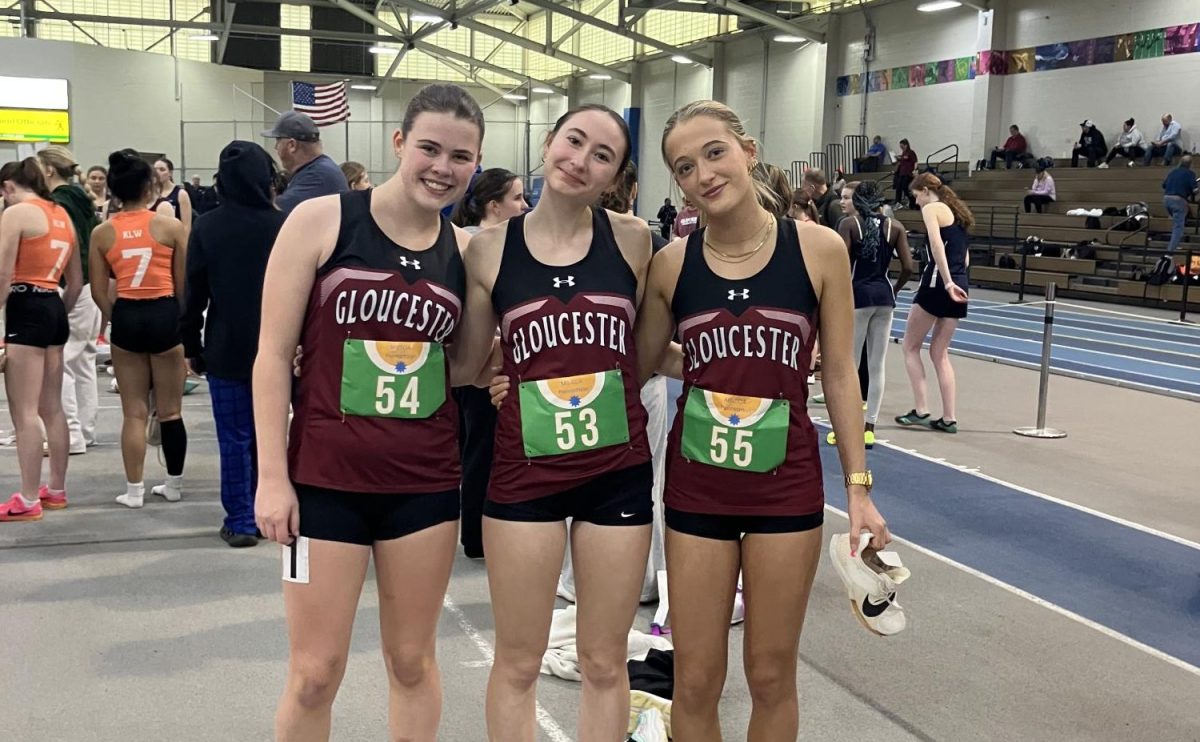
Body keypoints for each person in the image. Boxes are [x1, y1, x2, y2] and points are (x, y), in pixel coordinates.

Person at [636, 99, 890, 739]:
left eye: (714, 152)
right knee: (695, 679)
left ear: (748, 151)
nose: (703, 174)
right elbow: (640, 359)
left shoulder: (819, 249)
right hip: (698, 492)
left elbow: (838, 373)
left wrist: (859, 491)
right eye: (684, 167)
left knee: (772, 675)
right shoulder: (673, 264)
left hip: (786, 490)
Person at [253, 84, 487, 741]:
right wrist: (272, 477)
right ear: (398, 143)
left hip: (425, 487)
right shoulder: (321, 220)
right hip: (324, 484)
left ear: (476, 164)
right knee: (314, 672)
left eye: (460, 156)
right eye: (430, 148)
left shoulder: (467, 253)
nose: (442, 166)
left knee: (412, 662)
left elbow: (465, 367)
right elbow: (271, 357)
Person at [455, 103, 653, 741]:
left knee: (603, 659)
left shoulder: (633, 240)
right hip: (524, 473)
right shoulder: (488, 250)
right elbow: (466, 365)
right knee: (517, 660)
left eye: (602, 155)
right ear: (548, 142)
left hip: (616, 471)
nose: (581, 161)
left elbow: (646, 350)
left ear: (615, 176)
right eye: (574, 141)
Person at [556, 159, 668, 604]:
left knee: (573, 477)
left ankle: (581, 578)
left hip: (600, 380)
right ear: (635, 189)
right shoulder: (647, 243)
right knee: (645, 483)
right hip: (616, 381)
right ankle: (637, 579)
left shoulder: (644, 242)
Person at [181, 141, 286, 548]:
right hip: (278, 351)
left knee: (234, 437)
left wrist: (191, 343)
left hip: (226, 348)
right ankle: (271, 513)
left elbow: (195, 293)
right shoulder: (284, 225)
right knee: (273, 435)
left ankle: (241, 519)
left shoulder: (208, 226)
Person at [90, 149, 190, 508]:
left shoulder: (102, 233)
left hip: (128, 314)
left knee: (133, 411)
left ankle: (133, 491)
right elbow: (182, 284)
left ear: (114, 190)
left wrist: (117, 316)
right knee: (171, 411)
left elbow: (100, 291)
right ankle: (174, 484)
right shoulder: (171, 227)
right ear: (150, 187)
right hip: (164, 310)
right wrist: (174, 316)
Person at [447, 167, 527, 559]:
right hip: (482, 361)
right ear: (494, 206)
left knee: (470, 444)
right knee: (483, 447)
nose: (525, 206)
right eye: (517, 198)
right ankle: (478, 534)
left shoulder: (471, 242)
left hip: (469, 362)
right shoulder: (479, 247)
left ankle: (475, 530)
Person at [0, 158, 82, 522]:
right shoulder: (63, 215)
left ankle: (29, 497)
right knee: (52, 407)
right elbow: (76, 282)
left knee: (24, 411)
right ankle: (56, 490)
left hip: (25, 305)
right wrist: (55, 309)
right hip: (53, 305)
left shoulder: (16, 214)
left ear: (8, 188)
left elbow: (2, 274)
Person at [836, 180, 914, 447]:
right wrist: (895, 288)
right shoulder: (896, 227)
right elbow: (908, 267)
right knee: (876, 364)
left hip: (857, 297)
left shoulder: (849, 225)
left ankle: (848, 427)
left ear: (857, 202)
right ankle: (870, 427)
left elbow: (841, 264)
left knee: (851, 365)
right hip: (884, 297)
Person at [37, 146, 102, 455]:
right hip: (89, 287)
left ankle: (70, 432)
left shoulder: (58, 203)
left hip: (69, 286)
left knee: (59, 364)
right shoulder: (82, 199)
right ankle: (86, 429)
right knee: (84, 361)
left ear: (48, 170)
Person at [896, 172, 972, 434]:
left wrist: (947, 282)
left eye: (916, 197)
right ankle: (949, 417)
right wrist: (957, 282)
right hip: (960, 282)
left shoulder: (933, 209)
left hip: (939, 283)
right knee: (940, 353)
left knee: (909, 345)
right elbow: (965, 257)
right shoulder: (958, 214)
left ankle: (921, 409)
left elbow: (937, 246)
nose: (917, 203)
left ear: (926, 191)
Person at [263, 111, 349, 213]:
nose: (276, 147)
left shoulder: (319, 175)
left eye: (278, 140)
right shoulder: (319, 169)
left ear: (292, 145)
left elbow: (275, 211)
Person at [1162, 156, 1198, 255]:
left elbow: (1164, 185)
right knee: (1178, 227)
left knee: (1178, 219)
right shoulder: (1190, 173)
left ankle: (1174, 242)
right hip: (1179, 200)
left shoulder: (1173, 171)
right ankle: (1170, 252)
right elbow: (1195, 190)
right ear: (1190, 164)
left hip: (1167, 199)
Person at [153, 157, 193, 233]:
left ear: (170, 173)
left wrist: (184, 243)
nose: (157, 173)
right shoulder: (150, 194)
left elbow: (186, 226)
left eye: (162, 169)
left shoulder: (181, 194)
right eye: (155, 170)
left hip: (173, 238)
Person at [894, 139, 917, 208]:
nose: (901, 148)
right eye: (900, 146)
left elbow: (915, 162)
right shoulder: (903, 153)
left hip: (908, 173)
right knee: (898, 187)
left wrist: (915, 170)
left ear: (906, 145)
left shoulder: (911, 152)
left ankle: (912, 201)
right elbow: (901, 163)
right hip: (902, 173)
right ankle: (898, 202)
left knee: (905, 188)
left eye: (902, 146)